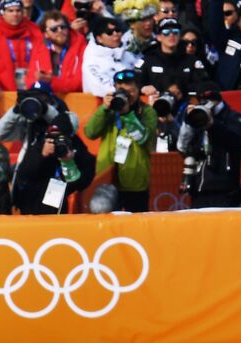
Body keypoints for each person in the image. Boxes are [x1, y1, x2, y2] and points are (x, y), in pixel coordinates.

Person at [83, 67, 155, 211]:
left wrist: (127, 114)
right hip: (107, 178)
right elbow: (90, 132)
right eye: (122, 91)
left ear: (138, 90)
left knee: (135, 226)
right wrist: (104, 109)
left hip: (134, 182)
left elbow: (143, 139)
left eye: (130, 91)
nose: (126, 96)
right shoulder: (108, 110)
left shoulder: (147, 112)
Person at [176, 81, 241, 207]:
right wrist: (188, 123)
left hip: (224, 189)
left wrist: (213, 125)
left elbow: (238, 142)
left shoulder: (233, 117)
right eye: (201, 100)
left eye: (208, 100)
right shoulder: (197, 119)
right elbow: (182, 147)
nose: (205, 104)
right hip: (198, 188)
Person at [0, 0, 48, 96]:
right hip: (5, 92)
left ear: (23, 12)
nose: (15, 14)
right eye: (10, 11)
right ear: (3, 13)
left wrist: (39, 78)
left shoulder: (34, 31)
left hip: (32, 88)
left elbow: (43, 57)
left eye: (18, 10)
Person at [82, 14, 141, 96]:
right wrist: (132, 90)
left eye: (117, 30)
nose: (115, 34)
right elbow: (100, 89)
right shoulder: (91, 61)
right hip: (104, 105)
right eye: (109, 32)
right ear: (99, 38)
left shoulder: (128, 53)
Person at [41, 10, 86, 96]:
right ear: (46, 34)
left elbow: (78, 84)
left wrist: (51, 81)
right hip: (46, 101)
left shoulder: (81, 48)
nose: (60, 31)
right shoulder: (39, 51)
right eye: (54, 29)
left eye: (63, 27)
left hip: (75, 102)